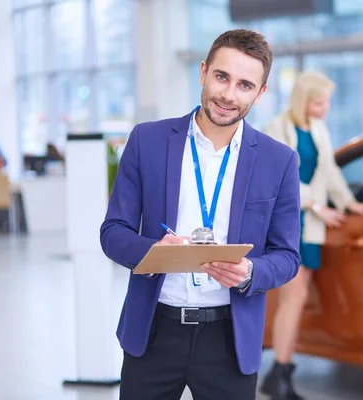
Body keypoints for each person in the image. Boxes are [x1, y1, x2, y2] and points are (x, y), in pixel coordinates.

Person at [100, 29, 301, 400]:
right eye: (222, 77)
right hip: (154, 332)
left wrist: (250, 272)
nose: (228, 94)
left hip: (230, 338)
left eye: (244, 85)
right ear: (204, 72)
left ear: (260, 93)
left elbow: (288, 256)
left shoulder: (280, 161)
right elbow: (113, 231)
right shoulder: (148, 140)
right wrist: (155, 251)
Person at [260, 70, 363, 400]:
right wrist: (315, 205)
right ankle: (280, 373)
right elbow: (277, 179)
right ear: (304, 100)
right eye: (319, 102)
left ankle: (279, 372)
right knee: (293, 300)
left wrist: (349, 203)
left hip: (309, 225)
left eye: (326, 103)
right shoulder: (277, 129)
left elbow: (331, 173)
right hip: (287, 222)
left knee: (296, 300)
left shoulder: (320, 130)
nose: (325, 108)